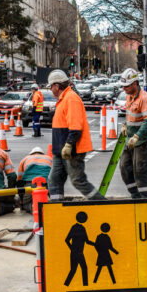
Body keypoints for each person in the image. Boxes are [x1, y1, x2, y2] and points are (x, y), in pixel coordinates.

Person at [48, 69, 104, 201]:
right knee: (54, 180)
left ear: (57, 86)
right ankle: (57, 207)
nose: (50, 89)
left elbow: (75, 126)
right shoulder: (63, 99)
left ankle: (101, 203)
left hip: (71, 150)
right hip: (60, 150)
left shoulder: (71, 98)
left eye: (51, 86)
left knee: (78, 180)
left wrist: (69, 145)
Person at [119, 68, 147, 198]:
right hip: (131, 140)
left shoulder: (144, 98)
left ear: (135, 83)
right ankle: (135, 196)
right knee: (124, 167)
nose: (124, 89)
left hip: (143, 141)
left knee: (140, 171)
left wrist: (137, 136)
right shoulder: (129, 96)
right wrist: (125, 125)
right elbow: (131, 115)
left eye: (127, 86)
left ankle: (146, 199)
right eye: (123, 86)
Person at [17, 146, 52, 212]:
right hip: (47, 184)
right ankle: (48, 203)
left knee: (26, 204)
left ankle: (33, 207)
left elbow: (19, 179)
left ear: (31, 153)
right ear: (42, 153)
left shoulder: (25, 159)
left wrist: (21, 199)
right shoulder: (49, 158)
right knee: (51, 200)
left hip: (30, 184)